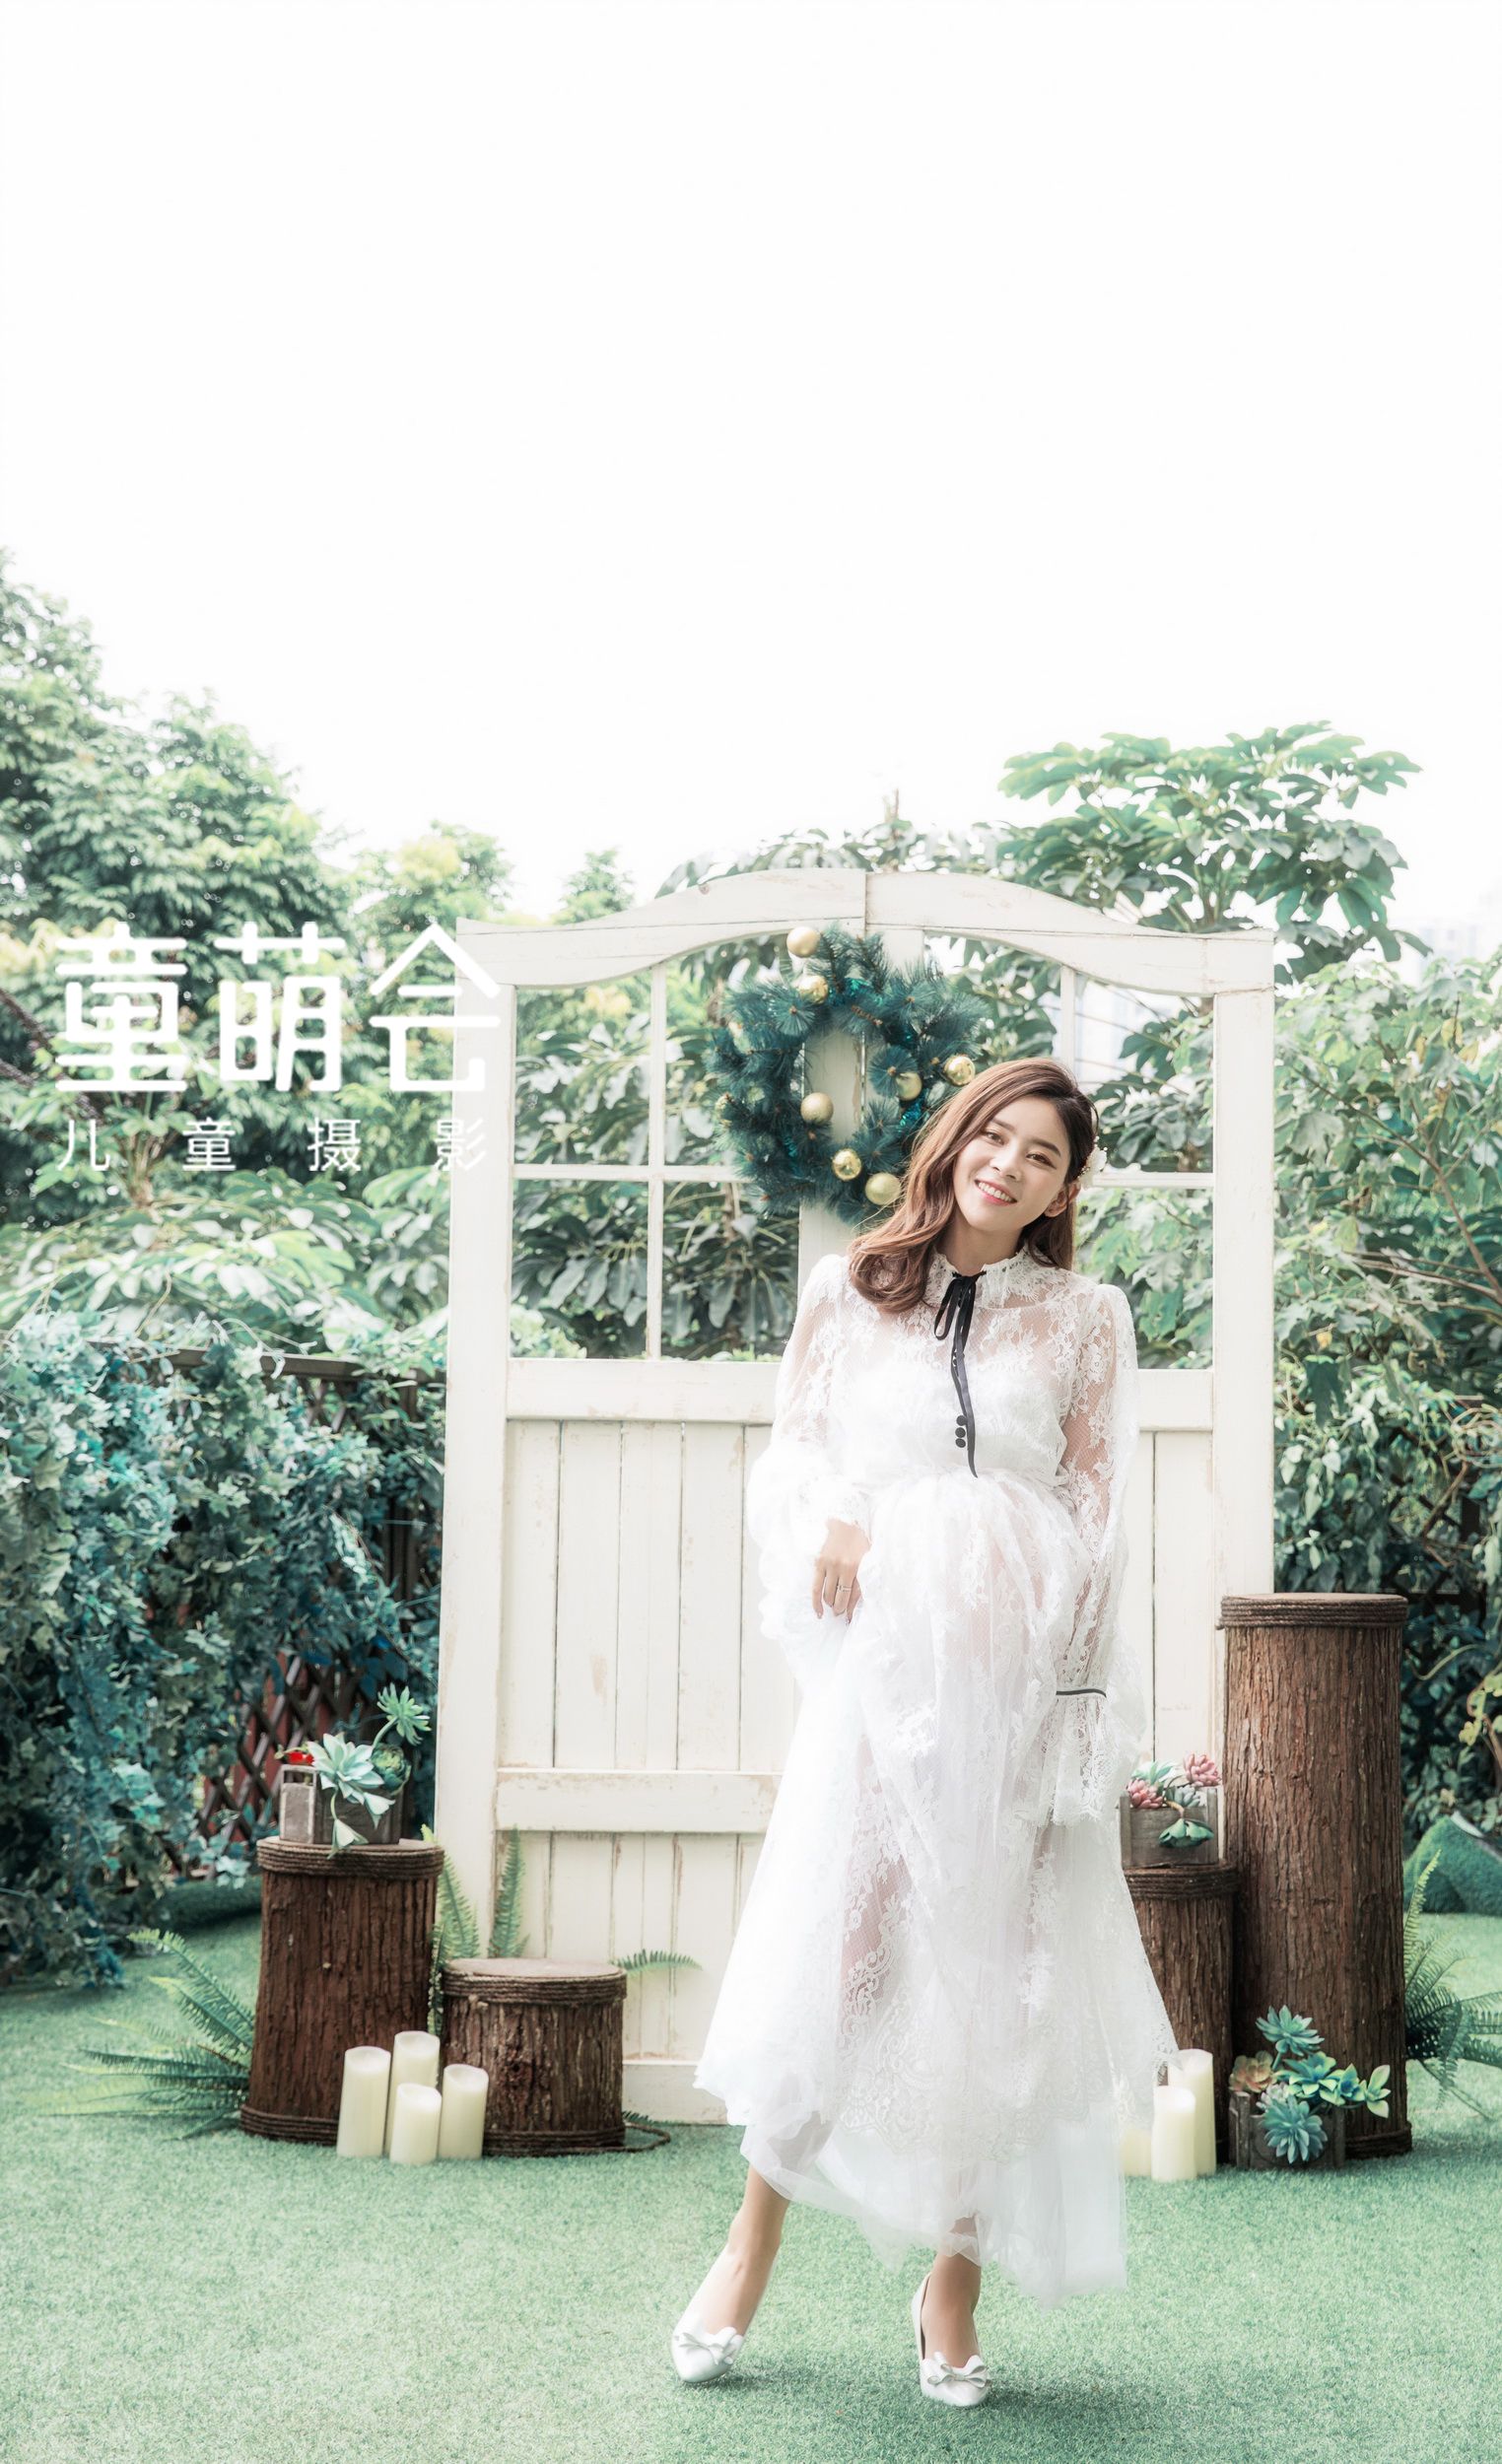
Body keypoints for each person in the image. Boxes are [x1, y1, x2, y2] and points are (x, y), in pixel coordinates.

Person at [668, 1056, 1181, 2407]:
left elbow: (1097, 1519)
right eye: (994, 1136)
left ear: (1064, 1191)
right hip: (882, 1684)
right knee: (836, 1958)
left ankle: (952, 2285)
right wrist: (842, 1512)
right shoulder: (848, 1289)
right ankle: (748, 2246)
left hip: (1016, 1696)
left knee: (998, 1988)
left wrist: (1073, 1711)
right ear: (955, 1142)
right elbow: (792, 1455)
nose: (1008, 1164)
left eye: (1043, 1156)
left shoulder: (1085, 1319)